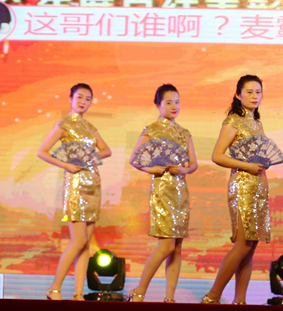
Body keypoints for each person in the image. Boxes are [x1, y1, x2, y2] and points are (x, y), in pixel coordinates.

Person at [37, 83, 112, 301]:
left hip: (93, 184)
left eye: (87, 99)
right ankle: (54, 288)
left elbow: (106, 150)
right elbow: (42, 151)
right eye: (79, 97)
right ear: (70, 99)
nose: (83, 102)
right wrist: (66, 165)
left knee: (86, 243)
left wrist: (90, 156)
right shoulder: (64, 125)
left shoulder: (90, 127)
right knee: (78, 241)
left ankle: (78, 293)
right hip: (76, 184)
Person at [201, 75, 271, 305]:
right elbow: (217, 155)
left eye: (258, 92)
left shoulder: (257, 123)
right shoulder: (233, 121)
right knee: (242, 244)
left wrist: (263, 164)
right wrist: (247, 166)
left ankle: (240, 301)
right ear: (238, 95)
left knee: (251, 246)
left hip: (259, 186)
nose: (254, 96)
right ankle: (212, 296)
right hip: (242, 185)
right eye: (249, 92)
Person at [126, 84, 198, 302]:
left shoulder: (184, 133)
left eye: (177, 102)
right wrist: (151, 169)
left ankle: (170, 298)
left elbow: (193, 164)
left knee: (176, 248)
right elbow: (134, 159)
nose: (174, 106)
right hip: (162, 191)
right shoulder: (151, 129)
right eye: (168, 102)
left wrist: (183, 170)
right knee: (166, 246)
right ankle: (139, 291)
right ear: (158, 105)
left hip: (180, 192)